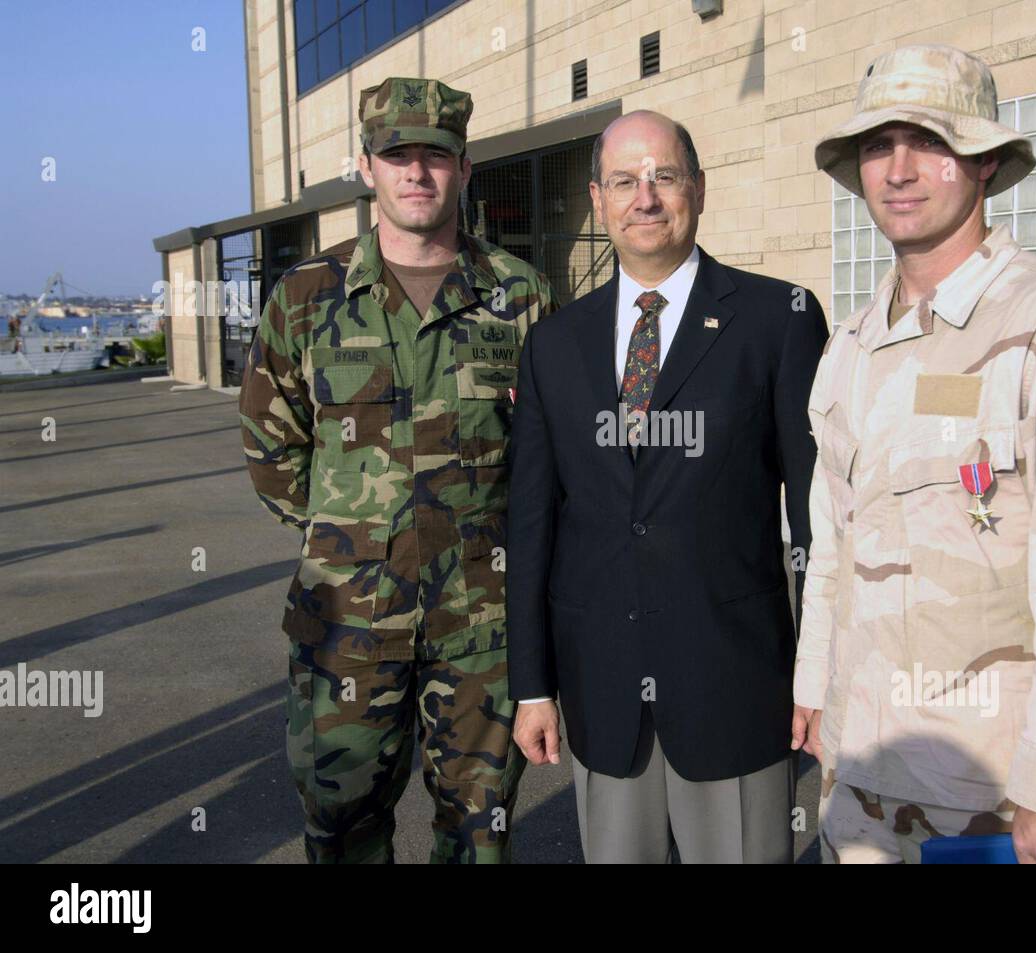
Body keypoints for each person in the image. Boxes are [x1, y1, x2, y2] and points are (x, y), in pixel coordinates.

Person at [797, 44, 1036, 864]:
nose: (899, 169)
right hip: (860, 780)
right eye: (878, 145)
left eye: (930, 143)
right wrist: (813, 690)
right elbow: (830, 544)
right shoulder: (849, 346)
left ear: (981, 164)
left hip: (991, 803)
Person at [237, 76, 556, 863]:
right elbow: (271, 448)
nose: (417, 173)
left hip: (482, 633)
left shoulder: (520, 298)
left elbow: (548, 464)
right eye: (397, 155)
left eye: (436, 157)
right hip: (346, 627)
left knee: (480, 837)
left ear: (465, 168)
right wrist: (351, 534)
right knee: (342, 833)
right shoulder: (306, 297)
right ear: (366, 166)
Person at [506, 110, 828, 863]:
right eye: (623, 180)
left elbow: (819, 515)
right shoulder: (554, 343)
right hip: (601, 688)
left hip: (735, 687)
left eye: (664, 176)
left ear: (699, 190)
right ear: (597, 198)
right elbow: (531, 525)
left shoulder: (777, 320)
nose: (644, 197)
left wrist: (820, 671)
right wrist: (532, 683)